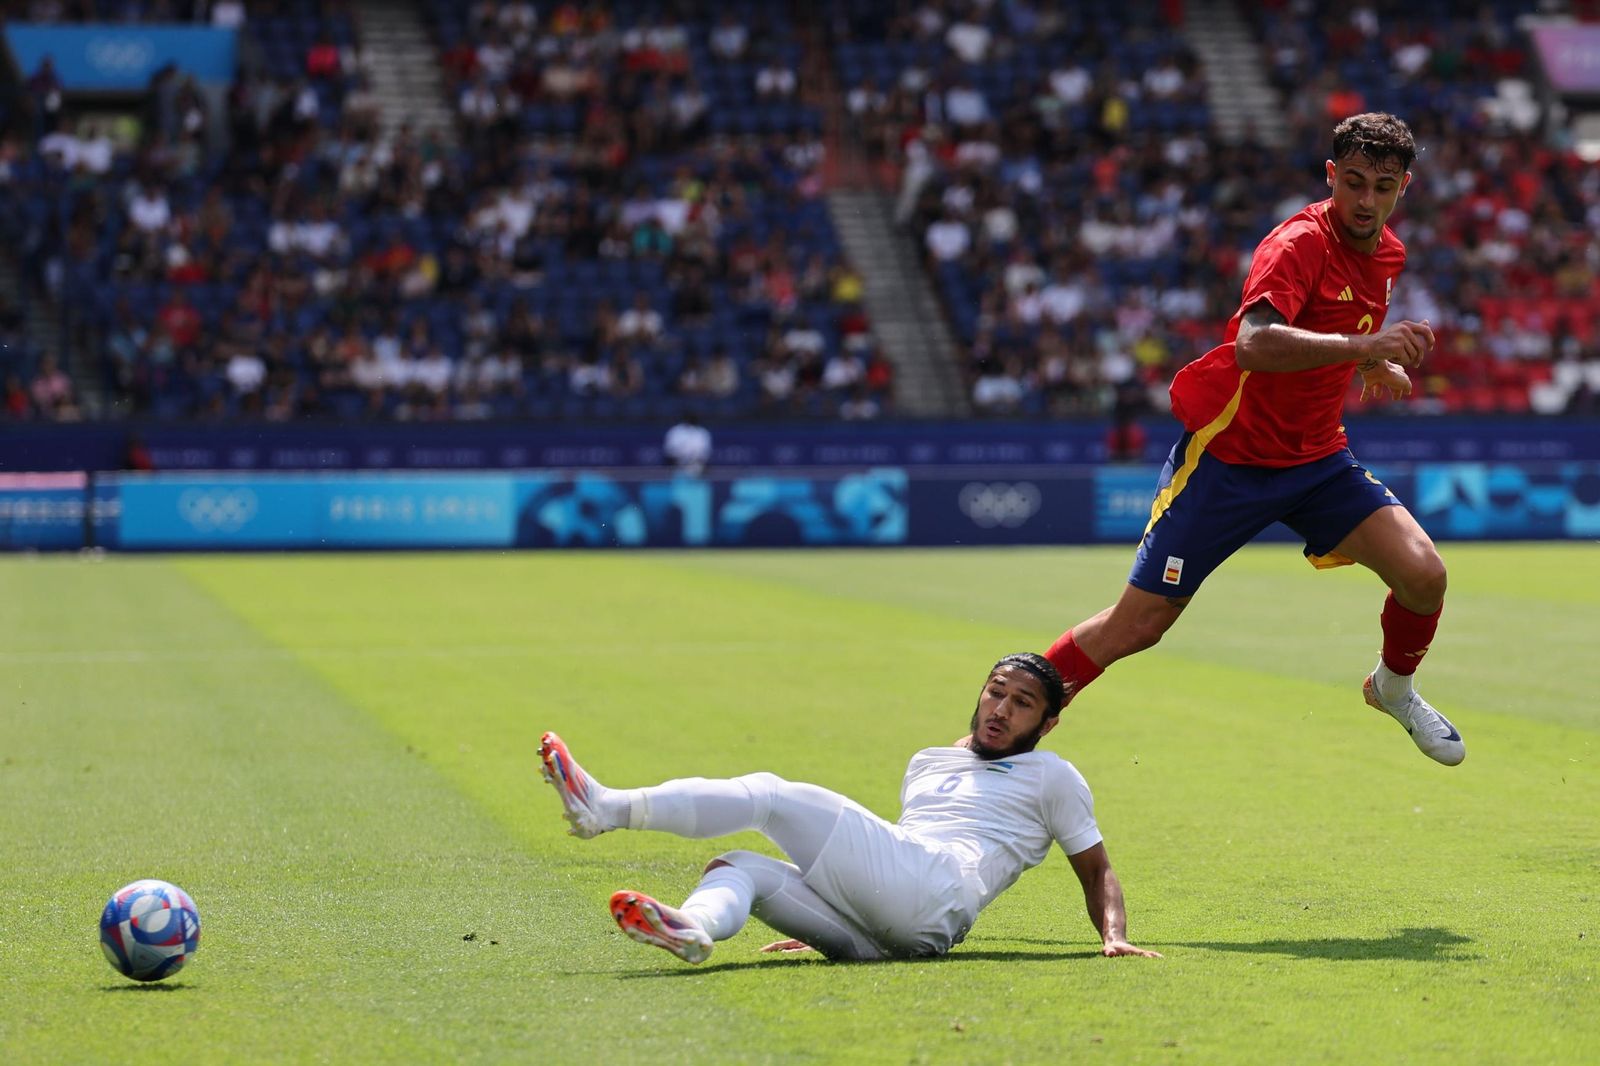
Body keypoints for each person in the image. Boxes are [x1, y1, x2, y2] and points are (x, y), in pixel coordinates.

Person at [1038, 113, 1464, 766]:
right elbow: (1255, 345)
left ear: (1404, 186)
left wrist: (1371, 363)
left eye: (1382, 186)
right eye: (1353, 183)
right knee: (1138, 626)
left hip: (1318, 459)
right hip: (1230, 462)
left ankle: (1393, 687)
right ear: (1331, 177)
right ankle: (1012, 713)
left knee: (1424, 575)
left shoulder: (1388, 254)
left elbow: (1338, 322)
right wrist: (1367, 344)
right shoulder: (1295, 244)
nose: (1366, 201)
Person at [538, 654, 1160, 964]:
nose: (1001, 710)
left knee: (770, 795)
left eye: (1022, 704)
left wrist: (1115, 939)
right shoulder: (927, 761)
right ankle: (695, 929)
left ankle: (606, 809)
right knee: (739, 869)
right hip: (899, 934)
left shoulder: (1051, 774)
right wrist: (831, 905)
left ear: (1047, 724)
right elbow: (898, 842)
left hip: (939, 890)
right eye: (996, 692)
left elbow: (1096, 869)